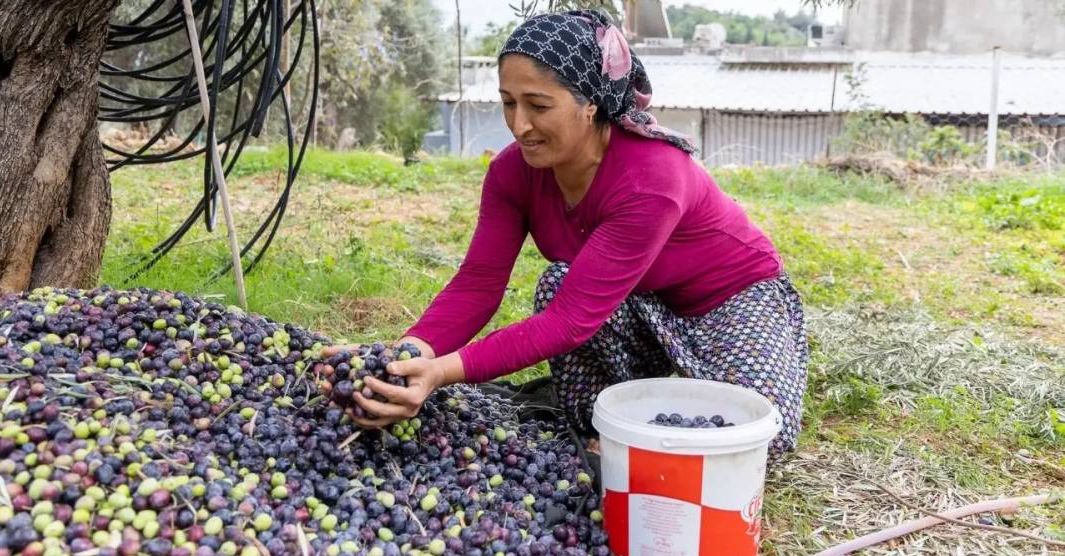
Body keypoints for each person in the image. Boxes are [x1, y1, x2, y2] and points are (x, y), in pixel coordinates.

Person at [326, 9, 808, 461]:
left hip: (728, 296)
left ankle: (658, 414)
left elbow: (571, 321)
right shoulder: (512, 174)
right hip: (633, 299)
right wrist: (410, 354)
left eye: (538, 105)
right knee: (560, 282)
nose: (519, 125)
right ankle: (611, 422)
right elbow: (479, 282)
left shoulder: (652, 177)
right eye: (508, 103)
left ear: (590, 104)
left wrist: (444, 373)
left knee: (764, 438)